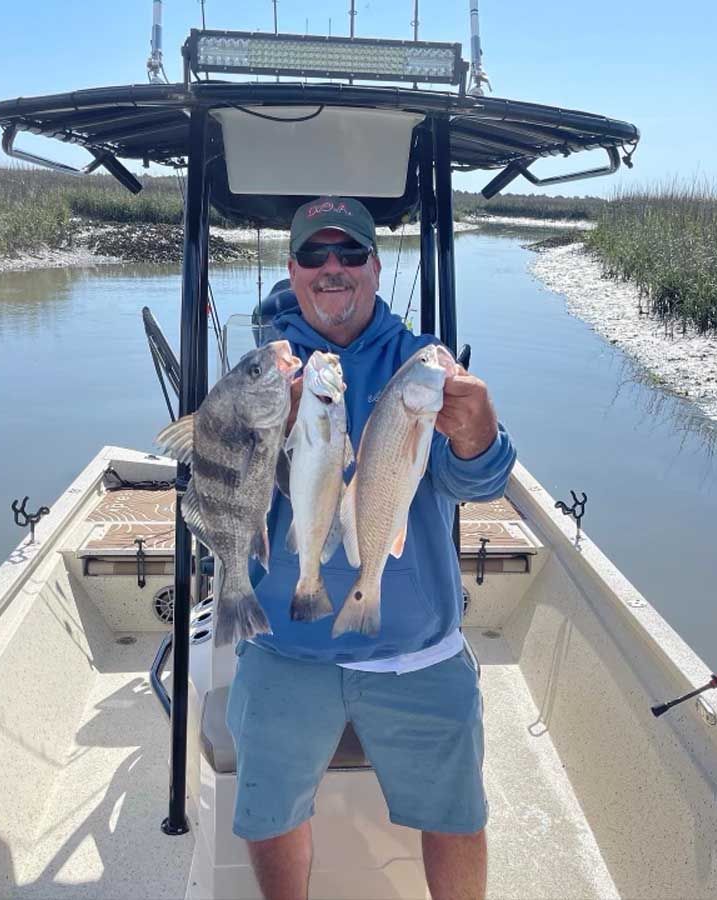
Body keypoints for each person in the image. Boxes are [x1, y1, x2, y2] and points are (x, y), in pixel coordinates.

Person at [226, 196, 516, 900]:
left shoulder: (420, 362)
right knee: (267, 814)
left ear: (375, 267)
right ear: (292, 270)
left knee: (458, 814)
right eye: (316, 256)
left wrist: (479, 436)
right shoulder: (266, 367)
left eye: (350, 253)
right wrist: (265, 431)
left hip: (415, 643)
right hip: (286, 643)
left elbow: (474, 482)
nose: (333, 269)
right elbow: (230, 493)